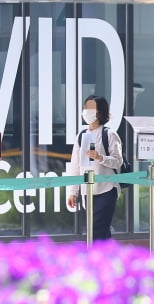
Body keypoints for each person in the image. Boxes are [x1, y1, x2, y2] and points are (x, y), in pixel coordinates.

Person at [66, 95, 123, 240]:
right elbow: (75, 166)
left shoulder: (109, 134)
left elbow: (118, 161)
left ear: (100, 112)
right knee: (100, 231)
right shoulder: (81, 135)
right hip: (88, 190)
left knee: (97, 230)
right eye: (86, 107)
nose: (87, 111)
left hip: (107, 188)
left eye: (91, 108)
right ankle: (109, 258)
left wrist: (100, 157)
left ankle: (95, 258)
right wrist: (73, 192)